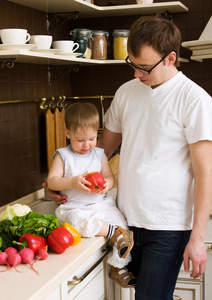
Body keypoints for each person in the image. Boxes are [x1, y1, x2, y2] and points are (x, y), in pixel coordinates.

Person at [46, 15, 212, 299]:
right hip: (122, 220)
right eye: (132, 64)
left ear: (171, 58)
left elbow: (205, 173)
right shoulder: (126, 92)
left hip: (167, 227)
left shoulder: (194, 100)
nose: (137, 73)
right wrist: (61, 183)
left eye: (144, 67)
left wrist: (197, 237)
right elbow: (100, 152)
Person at [47, 102, 136, 288]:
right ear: (68, 133)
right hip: (74, 207)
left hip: (101, 204)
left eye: (92, 138)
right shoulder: (62, 156)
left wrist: (106, 186)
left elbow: (109, 177)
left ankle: (118, 268)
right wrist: (72, 182)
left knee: (124, 224)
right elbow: (52, 181)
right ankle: (113, 232)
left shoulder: (99, 154)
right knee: (77, 221)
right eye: (80, 140)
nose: (87, 145)